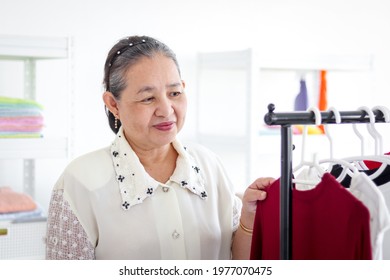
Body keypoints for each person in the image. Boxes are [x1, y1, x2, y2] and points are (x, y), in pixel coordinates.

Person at [45, 35, 274, 260]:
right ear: (113, 104)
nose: (166, 109)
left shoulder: (209, 165)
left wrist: (249, 218)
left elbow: (239, 263)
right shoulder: (80, 182)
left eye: (174, 93)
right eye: (148, 98)